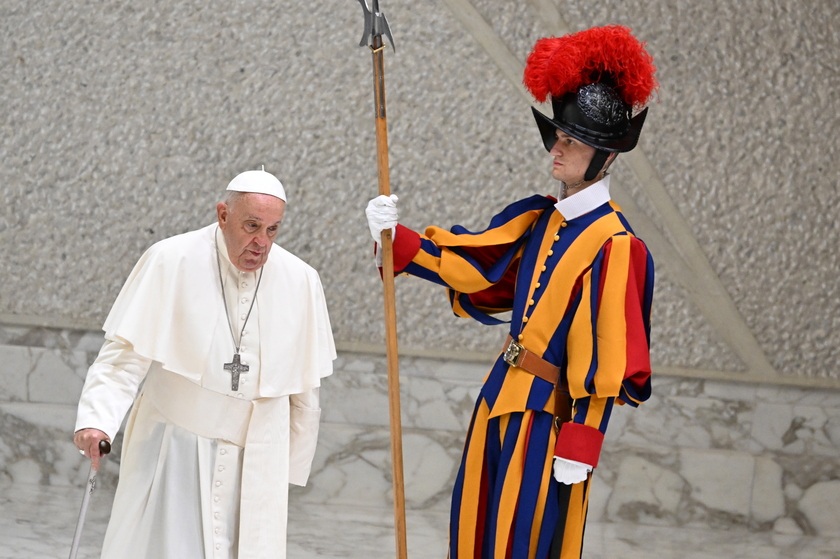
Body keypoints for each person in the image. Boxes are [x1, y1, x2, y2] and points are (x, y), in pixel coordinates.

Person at [365, 25, 657, 559]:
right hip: (499, 396)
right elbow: (479, 273)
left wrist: (581, 444)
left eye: (572, 141)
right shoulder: (542, 219)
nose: (557, 148)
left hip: (548, 422)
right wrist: (396, 238)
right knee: (475, 536)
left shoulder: (617, 246)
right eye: (558, 136)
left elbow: (607, 363)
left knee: (519, 545)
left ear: (605, 156)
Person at [74, 169, 336, 559]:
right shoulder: (170, 259)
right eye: (252, 226)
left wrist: (290, 463)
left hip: (256, 457)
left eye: (272, 230)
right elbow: (123, 356)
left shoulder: (301, 280)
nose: (261, 243)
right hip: (174, 446)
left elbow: (304, 388)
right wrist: (97, 420)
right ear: (222, 214)